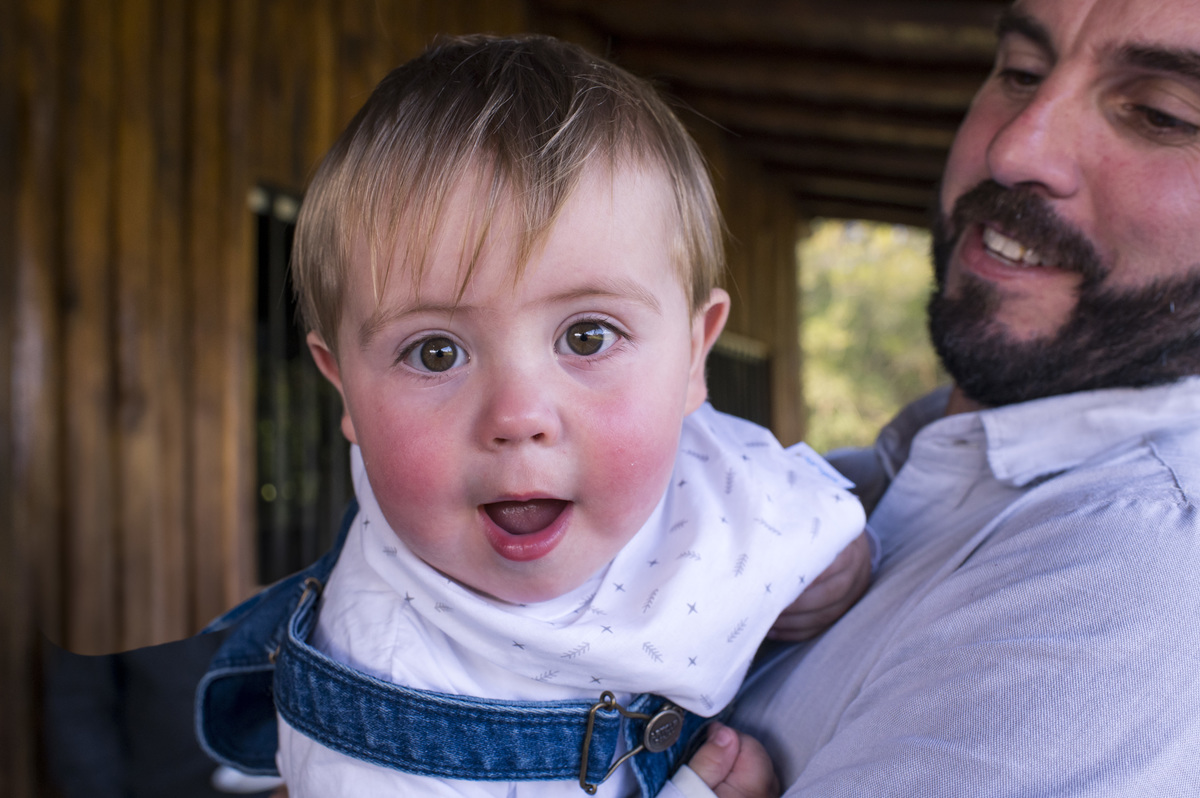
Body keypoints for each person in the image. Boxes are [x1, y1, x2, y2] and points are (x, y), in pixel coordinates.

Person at [195, 34, 872, 798]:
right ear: (344, 386)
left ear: (691, 358)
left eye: (587, 336)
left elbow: (812, 528)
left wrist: (828, 573)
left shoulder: (710, 467)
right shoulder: (383, 712)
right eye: (436, 353)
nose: (518, 417)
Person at [726, 0, 1200, 794]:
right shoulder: (850, 480)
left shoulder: (1131, 575)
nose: (1017, 148)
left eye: (1159, 113)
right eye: (1019, 70)